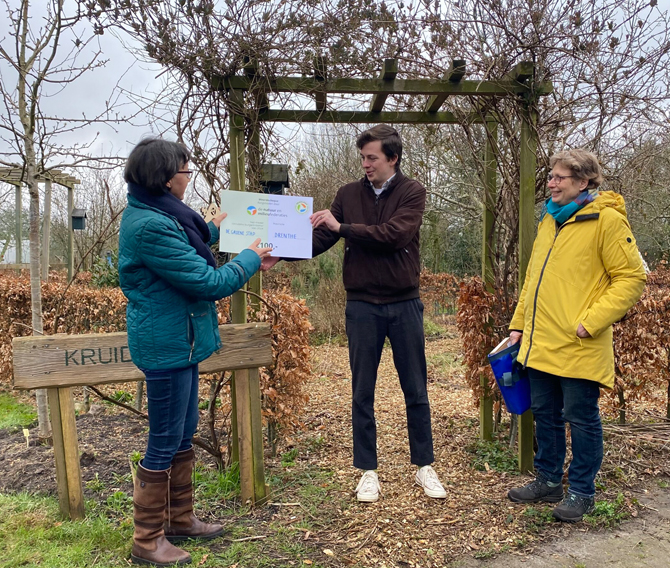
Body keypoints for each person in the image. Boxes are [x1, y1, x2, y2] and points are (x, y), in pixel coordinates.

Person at [262, 125, 446, 503]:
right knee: (362, 390)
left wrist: (342, 225)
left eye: (372, 157)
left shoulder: (412, 192)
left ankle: (424, 465)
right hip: (361, 306)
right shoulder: (348, 193)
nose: (365, 164)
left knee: (416, 387)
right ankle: (367, 471)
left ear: (392, 158)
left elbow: (394, 235)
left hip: (404, 303)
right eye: (362, 157)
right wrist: (281, 251)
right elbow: (323, 238)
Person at [119, 138, 272, 566]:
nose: (189, 178)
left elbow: (192, 237)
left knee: (182, 429)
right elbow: (207, 282)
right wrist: (249, 259)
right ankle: (147, 539)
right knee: (165, 437)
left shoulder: (159, 211)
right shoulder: (150, 225)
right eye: (186, 172)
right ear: (167, 179)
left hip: (179, 341)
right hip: (166, 345)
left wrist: (222, 228)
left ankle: (179, 519)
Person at [506, 149, 646, 522]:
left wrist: (591, 321)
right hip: (539, 341)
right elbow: (533, 280)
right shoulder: (549, 221)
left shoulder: (607, 221)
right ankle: (549, 480)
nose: (550, 183)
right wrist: (518, 324)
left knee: (581, 419)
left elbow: (632, 279)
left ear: (583, 182)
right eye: (550, 176)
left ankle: (582, 492)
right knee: (546, 415)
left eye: (559, 177)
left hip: (578, 342)